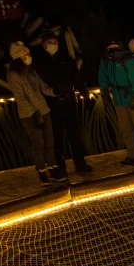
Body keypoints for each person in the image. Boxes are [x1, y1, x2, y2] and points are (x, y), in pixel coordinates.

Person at [6, 41, 66, 186]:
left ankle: (53, 170)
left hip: (44, 110)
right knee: (38, 144)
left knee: (49, 142)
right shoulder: (13, 74)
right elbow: (20, 97)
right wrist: (34, 112)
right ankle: (42, 173)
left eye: (28, 53)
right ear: (19, 56)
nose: (28, 56)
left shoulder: (31, 70)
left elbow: (42, 87)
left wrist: (54, 92)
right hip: (30, 115)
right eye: (26, 54)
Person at [34, 32, 93, 174]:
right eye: (49, 42)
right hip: (52, 105)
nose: (52, 44)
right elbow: (39, 85)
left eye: (55, 42)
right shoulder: (40, 62)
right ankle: (60, 167)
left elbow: (76, 77)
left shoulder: (65, 58)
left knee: (75, 136)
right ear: (43, 44)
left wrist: (84, 93)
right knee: (56, 138)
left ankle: (80, 164)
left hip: (69, 101)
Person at [98, 40, 134, 165]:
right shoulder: (105, 61)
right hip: (118, 98)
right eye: (110, 46)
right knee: (125, 129)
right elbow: (103, 78)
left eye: (115, 45)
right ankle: (131, 155)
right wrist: (104, 94)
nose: (112, 48)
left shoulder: (128, 59)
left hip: (132, 97)